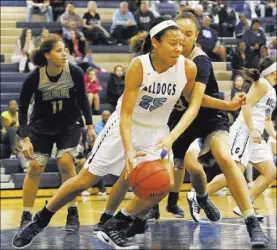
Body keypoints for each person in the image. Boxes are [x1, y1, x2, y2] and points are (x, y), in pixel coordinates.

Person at [12, 16, 204, 249]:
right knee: (84, 180)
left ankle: (112, 226)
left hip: (157, 133)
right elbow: (125, 113)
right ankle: (41, 219)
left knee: (162, 185)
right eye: (173, 43)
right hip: (124, 126)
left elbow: (194, 105)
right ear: (156, 42)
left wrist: (174, 135)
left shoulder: (188, 68)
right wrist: (129, 149)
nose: (179, 48)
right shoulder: (139, 66)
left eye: (181, 43)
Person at [151, 11, 268, 247]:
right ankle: (192, 199)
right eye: (179, 33)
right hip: (181, 120)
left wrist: (227, 105)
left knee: (225, 157)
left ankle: (251, 222)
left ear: (196, 36)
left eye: (188, 34)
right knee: (186, 167)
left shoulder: (200, 61)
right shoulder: (165, 56)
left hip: (208, 118)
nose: (182, 39)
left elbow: (198, 101)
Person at [11, 34, 96, 248]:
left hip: (68, 124)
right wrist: (26, 137)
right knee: (35, 168)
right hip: (42, 126)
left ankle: (72, 211)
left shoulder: (74, 72)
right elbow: (22, 108)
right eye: (59, 50)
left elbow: (84, 98)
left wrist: (90, 125)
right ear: (47, 54)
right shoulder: (34, 77)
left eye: (65, 49)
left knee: (66, 163)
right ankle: (26, 215)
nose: (64, 53)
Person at [205, 57, 277, 221]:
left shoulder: (271, 90)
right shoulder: (263, 84)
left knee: (270, 172)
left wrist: (274, 135)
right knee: (235, 172)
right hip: (245, 131)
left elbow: (266, 120)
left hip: (255, 135)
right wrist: (252, 129)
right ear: (273, 71)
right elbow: (245, 105)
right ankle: (200, 196)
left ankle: (245, 204)